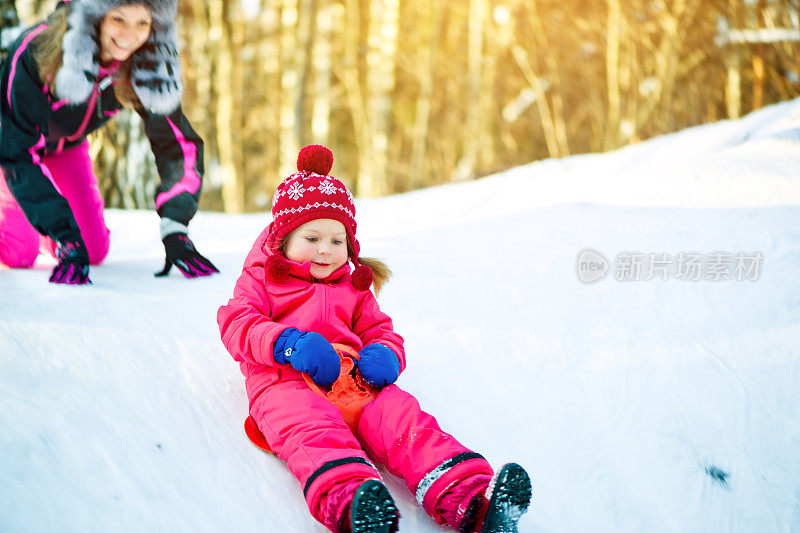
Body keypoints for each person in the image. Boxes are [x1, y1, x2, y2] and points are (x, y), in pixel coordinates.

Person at [217, 145, 532, 533]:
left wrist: (384, 354)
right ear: (283, 238)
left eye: (337, 241)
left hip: (356, 384)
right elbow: (237, 322)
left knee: (404, 421)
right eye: (312, 238)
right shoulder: (263, 279)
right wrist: (288, 343)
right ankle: (355, 505)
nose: (326, 250)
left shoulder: (353, 285)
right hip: (286, 383)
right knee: (312, 429)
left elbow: (380, 330)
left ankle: (473, 501)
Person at [0, 0, 218, 284]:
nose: (130, 34)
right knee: (17, 253)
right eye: (118, 19)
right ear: (96, 16)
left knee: (92, 250)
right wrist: (62, 232)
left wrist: (176, 225)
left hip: (65, 149)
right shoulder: (36, 50)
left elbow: (176, 144)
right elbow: (16, 149)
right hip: (10, 149)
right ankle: (35, 227)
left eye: (143, 22)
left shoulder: (144, 59)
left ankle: (42, 226)